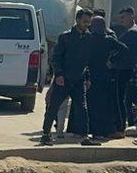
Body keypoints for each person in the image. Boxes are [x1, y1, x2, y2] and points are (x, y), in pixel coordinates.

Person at [42, 9, 99, 146]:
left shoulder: (88, 38)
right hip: (64, 79)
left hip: (79, 80)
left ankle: (85, 136)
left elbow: (87, 61)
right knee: (53, 107)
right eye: (85, 21)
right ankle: (45, 134)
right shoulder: (65, 37)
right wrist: (59, 74)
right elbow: (56, 58)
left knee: (82, 108)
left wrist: (87, 77)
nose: (87, 25)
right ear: (78, 20)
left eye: (89, 22)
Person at [84, 16, 128, 138]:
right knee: (105, 104)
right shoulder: (108, 40)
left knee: (91, 103)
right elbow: (124, 49)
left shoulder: (88, 39)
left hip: (90, 75)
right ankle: (105, 130)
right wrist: (112, 60)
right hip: (104, 74)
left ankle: (90, 129)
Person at [114, 7, 137, 131]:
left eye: (123, 17)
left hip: (130, 71)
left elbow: (117, 48)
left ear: (131, 16)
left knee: (126, 99)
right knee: (128, 99)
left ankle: (126, 125)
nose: (121, 20)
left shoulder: (131, 33)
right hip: (130, 70)